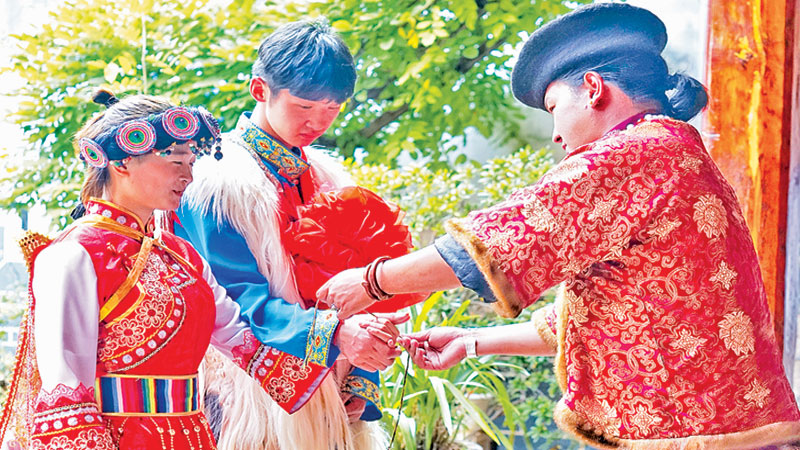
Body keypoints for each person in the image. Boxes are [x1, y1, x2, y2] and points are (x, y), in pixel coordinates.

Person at [317, 3, 800, 449]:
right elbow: (590, 321)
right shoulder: (676, 150)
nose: (554, 133)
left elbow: (496, 242)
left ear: (593, 88)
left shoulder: (632, 154)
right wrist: (470, 341)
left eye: (553, 107)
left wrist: (370, 282)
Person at [0, 91, 369, 450]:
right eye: (176, 162)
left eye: (191, 164)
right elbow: (65, 386)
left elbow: (240, 338)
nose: (188, 177)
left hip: (193, 435)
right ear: (122, 161)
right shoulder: (73, 255)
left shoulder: (181, 255)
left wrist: (339, 358)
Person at [174, 18, 424, 450]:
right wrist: (337, 338)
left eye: (332, 110)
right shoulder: (214, 182)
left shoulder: (329, 178)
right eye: (305, 107)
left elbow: (364, 290)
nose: (318, 123)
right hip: (246, 393)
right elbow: (235, 300)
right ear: (260, 90)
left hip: (333, 388)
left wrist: (361, 378)